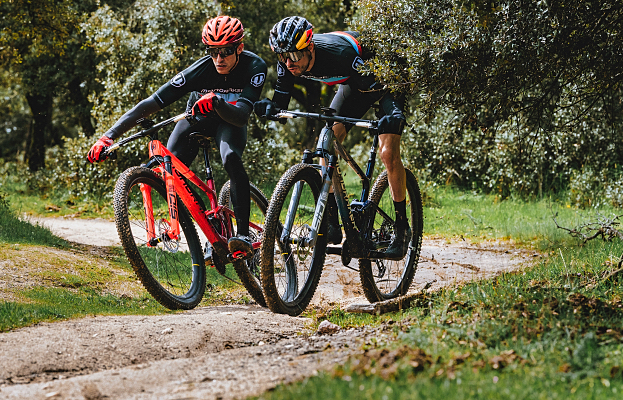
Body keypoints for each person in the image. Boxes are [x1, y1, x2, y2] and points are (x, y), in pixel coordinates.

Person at [87, 15, 267, 260]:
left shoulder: (254, 66)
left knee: (231, 158)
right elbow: (152, 102)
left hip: (231, 121)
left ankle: (243, 235)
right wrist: (108, 136)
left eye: (225, 51)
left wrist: (216, 102)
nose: (219, 59)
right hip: (197, 120)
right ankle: (208, 229)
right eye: (212, 52)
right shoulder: (201, 69)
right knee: (166, 169)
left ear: (240, 48)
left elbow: (242, 116)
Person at [255, 16, 410, 259]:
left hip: (386, 77)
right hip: (354, 81)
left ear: (310, 47)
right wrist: (271, 107)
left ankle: (402, 228)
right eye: (282, 56)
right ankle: (331, 225)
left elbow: (379, 86)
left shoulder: (339, 55)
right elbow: (281, 103)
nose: (288, 63)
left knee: (388, 151)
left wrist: (394, 116)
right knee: (326, 143)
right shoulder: (288, 60)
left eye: (294, 56)